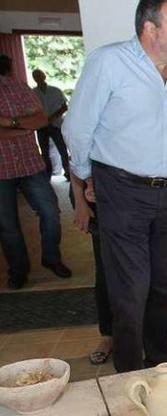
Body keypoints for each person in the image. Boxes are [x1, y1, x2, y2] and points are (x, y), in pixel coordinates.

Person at [62, 0, 167, 372]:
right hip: (122, 190)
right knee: (130, 291)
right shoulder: (110, 63)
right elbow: (77, 127)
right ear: (150, 29)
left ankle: (159, 364)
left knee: (164, 287)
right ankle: (130, 375)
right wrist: (87, 176)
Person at [0, 54, 71, 290]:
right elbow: (33, 122)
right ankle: (18, 270)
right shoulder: (22, 89)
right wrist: (23, 125)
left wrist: (8, 123)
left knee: (51, 212)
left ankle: (51, 257)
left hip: (30, 165)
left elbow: (41, 120)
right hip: (2, 170)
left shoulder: (18, 87)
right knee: (7, 224)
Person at [70, 175, 113, 364]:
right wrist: (80, 202)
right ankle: (108, 335)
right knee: (106, 271)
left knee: (147, 273)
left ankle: (145, 336)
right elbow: (76, 161)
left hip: (141, 198)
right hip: (102, 202)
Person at [32, 69, 70, 179]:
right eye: (35, 76)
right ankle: (47, 174)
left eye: (39, 75)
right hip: (41, 126)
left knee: (62, 149)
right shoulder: (32, 93)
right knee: (44, 152)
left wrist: (52, 118)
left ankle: (67, 172)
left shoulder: (55, 90)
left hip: (56, 124)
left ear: (44, 76)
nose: (38, 78)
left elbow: (64, 107)